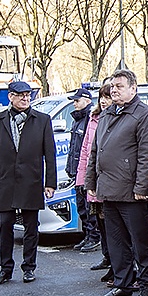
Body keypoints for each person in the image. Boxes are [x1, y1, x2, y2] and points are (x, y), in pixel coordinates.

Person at [87, 69, 148, 296]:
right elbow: (95, 152)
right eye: (111, 86)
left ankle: (147, 286)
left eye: (119, 86)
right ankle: (123, 283)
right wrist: (91, 183)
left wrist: (141, 187)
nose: (114, 90)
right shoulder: (107, 114)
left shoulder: (144, 115)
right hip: (108, 189)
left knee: (140, 243)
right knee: (116, 241)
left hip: (131, 192)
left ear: (133, 88)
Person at [0, 81, 57, 286]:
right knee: (5, 225)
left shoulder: (42, 120)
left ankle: (29, 267)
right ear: (11, 97)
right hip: (6, 182)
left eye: (28, 95)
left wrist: (50, 183)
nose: (26, 99)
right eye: (21, 95)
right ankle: (5, 269)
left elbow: (50, 155)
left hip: (31, 181)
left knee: (30, 228)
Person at [77, 81, 113, 283]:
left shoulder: (112, 119)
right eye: (102, 97)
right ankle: (108, 257)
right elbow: (86, 152)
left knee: (111, 224)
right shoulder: (93, 119)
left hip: (109, 182)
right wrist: (82, 179)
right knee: (100, 222)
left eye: (108, 97)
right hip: (94, 180)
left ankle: (117, 264)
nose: (105, 101)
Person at [65, 87, 99, 253]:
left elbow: (88, 148)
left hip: (86, 171)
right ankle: (88, 234)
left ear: (87, 100)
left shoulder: (89, 119)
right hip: (77, 170)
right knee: (81, 207)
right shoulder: (77, 119)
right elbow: (75, 148)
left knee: (88, 207)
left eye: (77, 100)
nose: (74, 104)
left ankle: (93, 236)